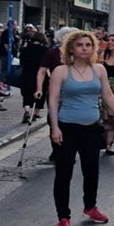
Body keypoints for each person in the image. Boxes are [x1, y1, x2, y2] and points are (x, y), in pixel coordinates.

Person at [48, 31, 114, 226]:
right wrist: (55, 128)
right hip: (67, 128)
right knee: (63, 174)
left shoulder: (99, 69)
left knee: (91, 171)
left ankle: (90, 207)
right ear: (71, 49)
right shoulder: (61, 71)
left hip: (92, 128)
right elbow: (53, 100)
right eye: (80, 45)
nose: (84, 48)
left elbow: (108, 95)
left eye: (88, 44)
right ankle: (63, 218)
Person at [35, 27, 77, 161]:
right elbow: (42, 71)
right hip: (56, 90)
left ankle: (69, 148)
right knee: (54, 119)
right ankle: (56, 148)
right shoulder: (52, 53)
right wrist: (39, 89)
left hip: (74, 90)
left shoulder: (78, 53)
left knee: (71, 120)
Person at [20, 32, 49, 123]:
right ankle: (35, 114)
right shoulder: (46, 50)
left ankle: (27, 111)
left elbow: (21, 62)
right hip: (41, 75)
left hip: (27, 74)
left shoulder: (25, 49)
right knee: (41, 93)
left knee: (27, 94)